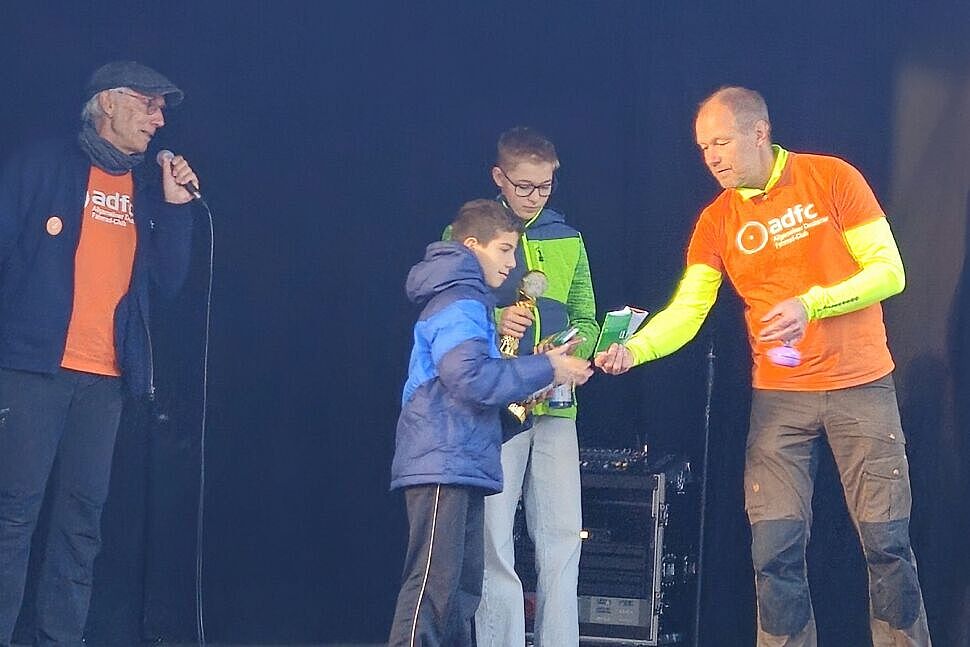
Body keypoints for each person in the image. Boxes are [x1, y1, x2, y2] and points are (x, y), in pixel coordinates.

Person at [596, 86, 931, 646]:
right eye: (703, 148)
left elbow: (888, 271)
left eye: (721, 142)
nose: (712, 158)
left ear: (759, 132)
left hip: (860, 385)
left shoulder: (830, 177)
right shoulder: (716, 220)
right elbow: (688, 308)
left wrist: (810, 304)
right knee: (773, 551)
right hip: (780, 397)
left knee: (886, 543)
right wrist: (638, 348)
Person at [0, 60, 200, 646]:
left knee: (81, 524)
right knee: (12, 516)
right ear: (108, 103)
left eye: (161, 109)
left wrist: (177, 208)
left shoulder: (145, 189)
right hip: (33, 369)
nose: (159, 120)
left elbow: (168, 282)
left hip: (107, 379)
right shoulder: (43, 165)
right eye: (148, 104)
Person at [387, 199, 593, 647]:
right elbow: (469, 379)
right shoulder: (459, 299)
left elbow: (478, 388)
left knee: (460, 593)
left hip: (461, 459)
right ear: (470, 245)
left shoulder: (470, 300)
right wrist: (547, 368)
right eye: (503, 249)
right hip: (442, 459)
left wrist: (530, 390)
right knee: (433, 587)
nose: (512, 262)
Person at [473, 127, 599, 647]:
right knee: (493, 539)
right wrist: (497, 319)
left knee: (563, 537)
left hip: (556, 406)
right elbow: (452, 312)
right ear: (499, 178)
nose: (534, 197)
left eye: (544, 187)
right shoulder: (469, 232)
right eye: (523, 186)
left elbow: (586, 314)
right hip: (498, 406)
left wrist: (574, 348)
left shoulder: (568, 237)